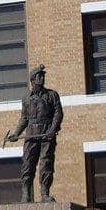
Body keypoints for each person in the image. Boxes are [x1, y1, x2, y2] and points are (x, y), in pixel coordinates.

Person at [5, 65, 63, 202]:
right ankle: (26, 194)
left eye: (43, 76)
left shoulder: (52, 95)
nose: (42, 78)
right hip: (31, 133)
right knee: (27, 163)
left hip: (46, 134)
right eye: (39, 76)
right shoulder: (26, 98)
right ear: (33, 80)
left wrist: (52, 130)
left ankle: (44, 193)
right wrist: (16, 133)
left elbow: (58, 113)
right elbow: (24, 118)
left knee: (46, 163)